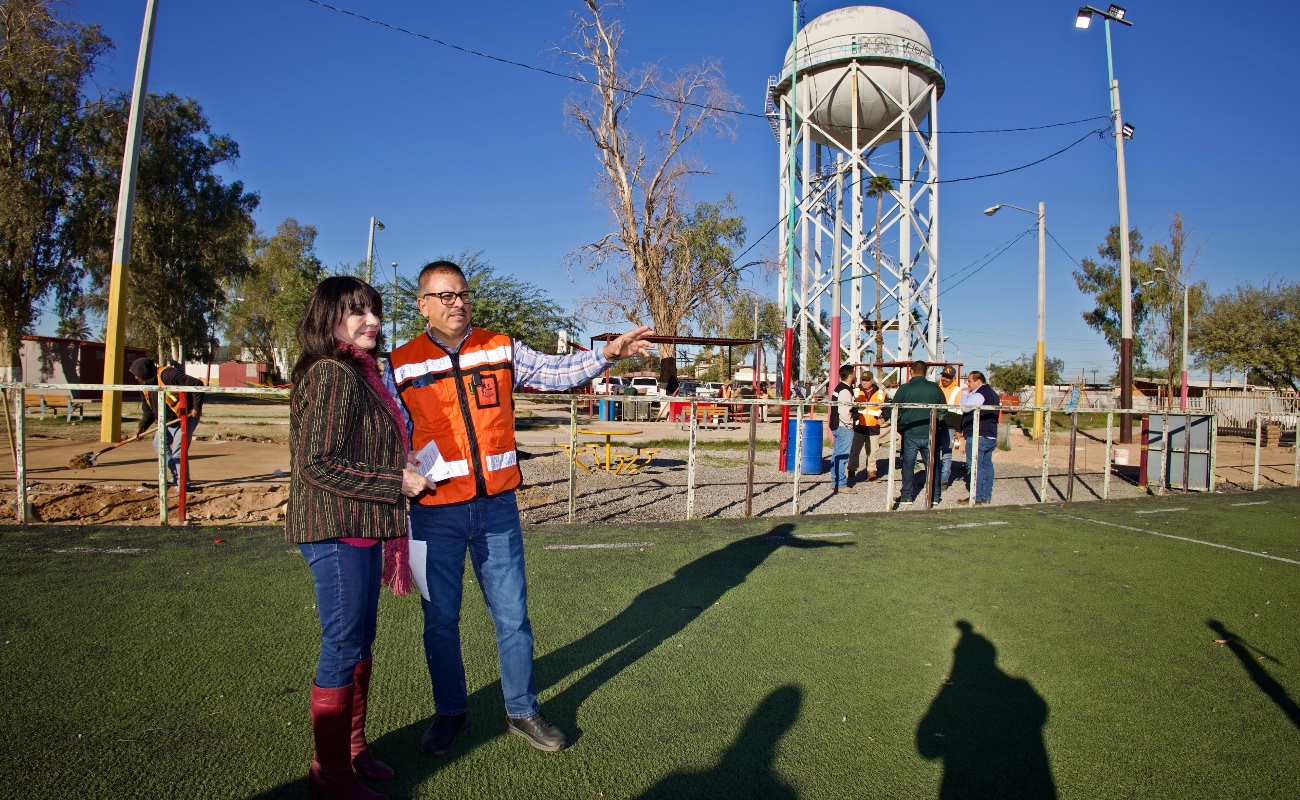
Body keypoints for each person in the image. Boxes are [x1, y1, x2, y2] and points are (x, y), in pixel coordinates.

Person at [385, 260, 654, 756]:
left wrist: (608, 354)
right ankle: (450, 712)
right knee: (439, 621)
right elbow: (389, 433)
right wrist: (398, 468)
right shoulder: (399, 363)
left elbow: (557, 372)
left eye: (462, 293)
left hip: (497, 512)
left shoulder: (500, 346)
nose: (457, 303)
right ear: (422, 305)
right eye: (444, 296)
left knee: (512, 617)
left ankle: (522, 710)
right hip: (430, 516)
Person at [287, 276, 436, 800]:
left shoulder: (361, 373)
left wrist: (402, 462)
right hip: (336, 529)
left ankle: (351, 751)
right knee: (343, 645)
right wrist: (394, 480)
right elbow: (318, 464)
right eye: (358, 312)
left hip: (363, 525)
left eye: (374, 311)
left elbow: (355, 450)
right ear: (330, 319)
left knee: (359, 642)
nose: (372, 321)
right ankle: (330, 775)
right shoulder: (331, 372)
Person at [127, 356, 205, 490]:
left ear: (144, 372)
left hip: (185, 418)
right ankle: (177, 476)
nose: (135, 378)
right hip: (167, 422)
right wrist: (142, 427)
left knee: (178, 453)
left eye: (136, 374)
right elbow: (149, 411)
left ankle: (183, 486)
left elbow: (197, 384)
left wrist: (197, 408)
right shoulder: (145, 386)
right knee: (159, 444)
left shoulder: (167, 375)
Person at [890, 360, 946, 505]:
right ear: (926, 372)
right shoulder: (935, 388)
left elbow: (895, 409)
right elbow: (943, 409)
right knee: (933, 465)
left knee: (908, 465)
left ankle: (907, 496)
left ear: (911, 372)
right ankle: (934, 496)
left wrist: (901, 426)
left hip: (910, 432)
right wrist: (937, 423)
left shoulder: (904, 389)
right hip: (930, 433)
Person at [957, 370, 1001, 506]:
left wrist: (965, 393)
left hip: (979, 435)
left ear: (978, 381)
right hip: (990, 435)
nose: (967, 384)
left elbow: (965, 408)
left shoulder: (980, 393)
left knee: (976, 466)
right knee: (987, 465)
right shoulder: (993, 394)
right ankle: (986, 496)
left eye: (969, 381)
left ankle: (976, 497)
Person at [848, 371, 887, 484]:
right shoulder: (855, 392)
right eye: (862, 380)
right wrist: (854, 419)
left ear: (872, 381)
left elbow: (887, 409)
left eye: (866, 380)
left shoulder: (881, 394)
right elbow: (851, 408)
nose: (864, 382)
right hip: (859, 427)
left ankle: (871, 472)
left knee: (872, 452)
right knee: (855, 450)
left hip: (873, 427)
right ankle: (851, 471)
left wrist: (884, 418)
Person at [828, 365, 857, 493]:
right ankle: (841, 484)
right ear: (850, 374)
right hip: (843, 426)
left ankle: (835, 481)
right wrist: (850, 424)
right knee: (842, 456)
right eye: (854, 373)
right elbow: (844, 411)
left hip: (836, 425)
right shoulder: (845, 390)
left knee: (837, 455)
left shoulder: (838, 388)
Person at [937, 366, 963, 488]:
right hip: (937, 424)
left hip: (950, 425)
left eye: (948, 377)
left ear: (953, 378)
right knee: (934, 453)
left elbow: (959, 411)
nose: (945, 379)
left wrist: (958, 429)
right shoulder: (937, 388)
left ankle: (943, 480)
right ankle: (935, 478)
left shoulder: (958, 390)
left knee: (946, 454)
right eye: (943, 376)